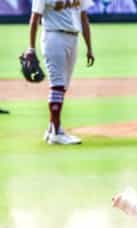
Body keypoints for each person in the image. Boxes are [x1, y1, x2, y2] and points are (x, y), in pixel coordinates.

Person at [27, 0, 95, 145]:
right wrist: (31, 49)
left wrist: (89, 47)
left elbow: (84, 17)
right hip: (53, 37)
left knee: (63, 86)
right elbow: (34, 19)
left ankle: (51, 128)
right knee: (57, 84)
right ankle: (57, 132)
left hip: (73, 39)